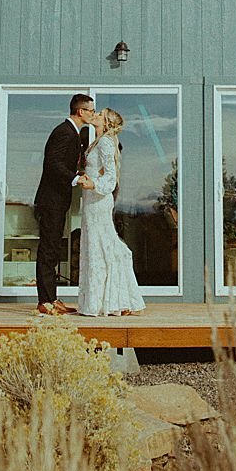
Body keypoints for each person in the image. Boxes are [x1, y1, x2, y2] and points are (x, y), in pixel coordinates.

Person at [76, 108, 146, 317]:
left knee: (100, 247)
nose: (95, 114)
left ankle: (107, 301)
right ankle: (99, 300)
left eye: (100, 114)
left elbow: (111, 177)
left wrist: (93, 184)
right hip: (91, 200)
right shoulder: (98, 141)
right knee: (95, 245)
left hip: (98, 200)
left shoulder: (106, 143)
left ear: (106, 122)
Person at [34, 92, 95, 315]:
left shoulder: (74, 134)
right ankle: (45, 302)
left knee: (53, 249)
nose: (93, 114)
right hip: (51, 200)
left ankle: (52, 299)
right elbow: (53, 163)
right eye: (91, 110)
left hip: (58, 200)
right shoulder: (64, 132)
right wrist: (76, 178)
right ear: (80, 111)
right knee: (48, 250)